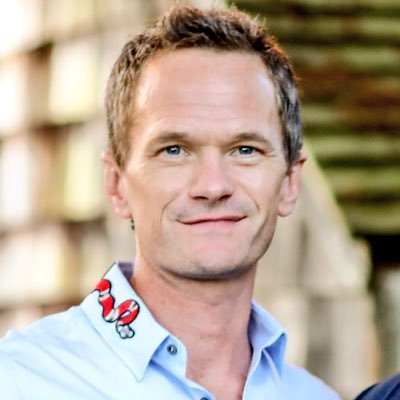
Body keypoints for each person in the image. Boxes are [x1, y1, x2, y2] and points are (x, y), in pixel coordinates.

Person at [0, 5, 341, 399]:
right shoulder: (20, 381)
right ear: (116, 184)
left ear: (290, 183)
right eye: (174, 150)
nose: (213, 186)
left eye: (245, 150)